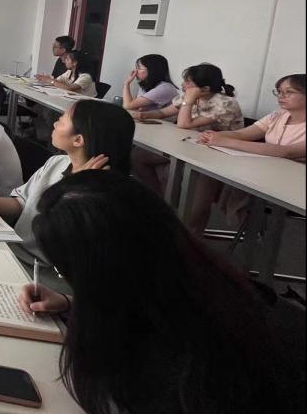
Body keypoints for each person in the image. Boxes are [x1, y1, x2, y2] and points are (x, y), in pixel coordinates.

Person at [17, 172, 301, 414]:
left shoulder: (185, 374)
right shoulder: (207, 288)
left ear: (103, 273)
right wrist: (71, 303)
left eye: (64, 272)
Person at [0, 100, 135, 269]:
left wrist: (78, 185)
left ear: (78, 140)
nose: (54, 124)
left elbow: (67, 245)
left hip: (45, 272)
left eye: (61, 121)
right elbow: (21, 204)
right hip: (13, 249)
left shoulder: (102, 192)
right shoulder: (57, 162)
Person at [131, 64, 244, 232]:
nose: (183, 85)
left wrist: (189, 100)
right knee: (138, 157)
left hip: (218, 156)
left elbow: (184, 124)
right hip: (190, 146)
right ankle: (161, 203)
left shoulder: (225, 103)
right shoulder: (189, 95)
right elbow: (163, 113)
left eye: (188, 83)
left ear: (205, 89)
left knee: (195, 207)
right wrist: (144, 115)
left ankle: (193, 234)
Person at [199, 74, 305, 161]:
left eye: (289, 92)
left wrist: (224, 141)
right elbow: (241, 134)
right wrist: (213, 136)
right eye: (279, 91)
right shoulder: (278, 115)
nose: (281, 96)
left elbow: (287, 152)